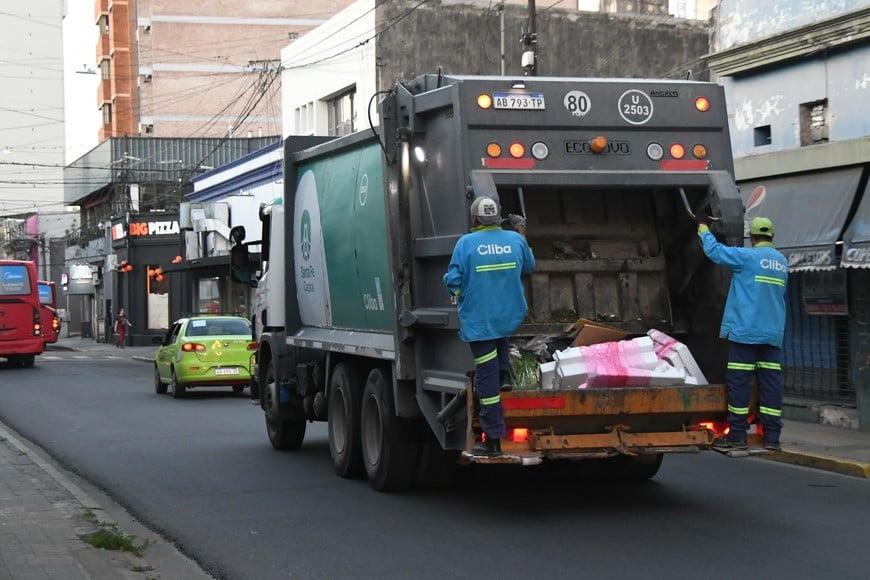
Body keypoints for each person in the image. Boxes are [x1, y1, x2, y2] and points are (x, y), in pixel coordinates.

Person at [443, 196, 535, 456]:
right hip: (507, 315)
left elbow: (454, 280)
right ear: (498, 217)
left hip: (480, 320)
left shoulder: (466, 244)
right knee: (501, 342)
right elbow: (529, 265)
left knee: (487, 381)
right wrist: (521, 232)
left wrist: (456, 288)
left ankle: (493, 441)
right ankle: (505, 374)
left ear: (475, 218)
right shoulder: (515, 240)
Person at [697, 216, 788, 452]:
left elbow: (715, 252)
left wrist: (704, 230)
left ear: (753, 237)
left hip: (745, 333)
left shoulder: (747, 257)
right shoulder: (782, 262)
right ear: (772, 237)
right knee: (770, 385)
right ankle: (772, 438)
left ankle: (737, 436)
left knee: (739, 385)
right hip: (772, 335)